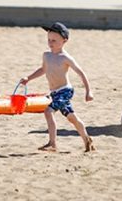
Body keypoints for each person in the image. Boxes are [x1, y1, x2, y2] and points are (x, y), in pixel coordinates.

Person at [20, 22, 95, 152]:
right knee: (72, 118)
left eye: (54, 40)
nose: (50, 43)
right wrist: (28, 78)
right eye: (49, 40)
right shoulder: (46, 55)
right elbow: (43, 69)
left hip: (65, 91)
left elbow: (81, 73)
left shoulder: (65, 58)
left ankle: (52, 143)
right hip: (55, 92)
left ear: (64, 40)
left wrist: (88, 92)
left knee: (48, 112)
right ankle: (87, 139)